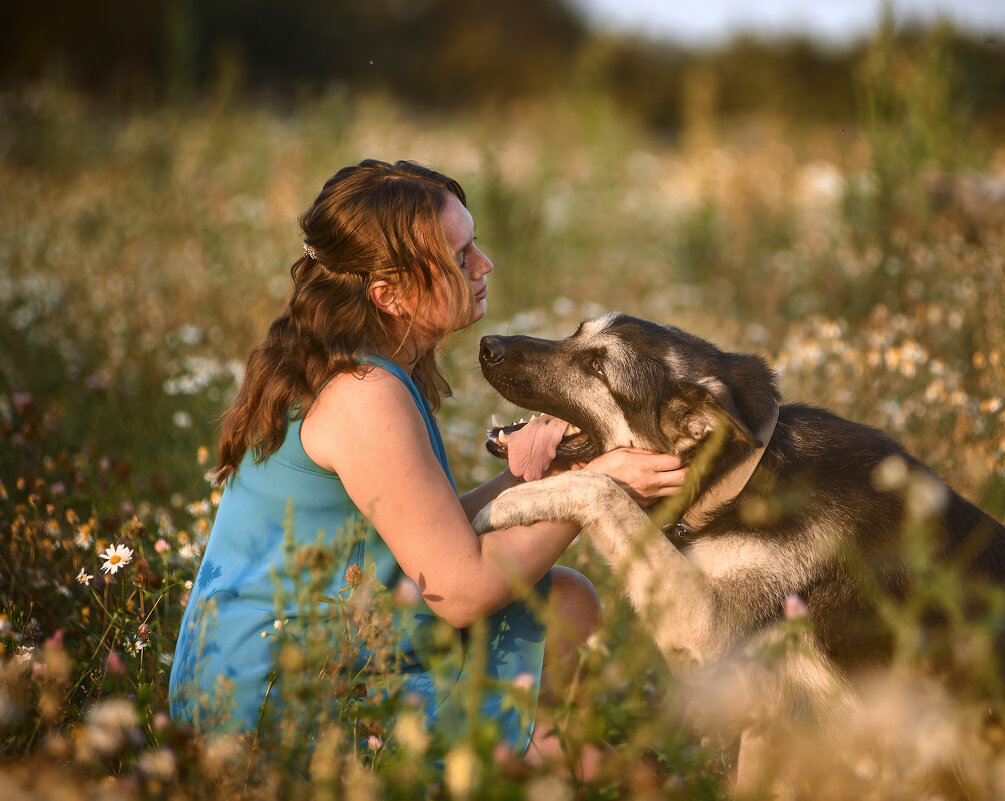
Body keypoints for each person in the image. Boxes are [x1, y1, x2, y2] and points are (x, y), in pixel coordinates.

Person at [167, 159, 687, 774]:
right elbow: (458, 591)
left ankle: (542, 750)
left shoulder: (372, 367)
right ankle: (544, 761)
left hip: (333, 639)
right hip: (273, 700)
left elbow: (422, 533)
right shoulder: (364, 394)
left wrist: (537, 478)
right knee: (621, 771)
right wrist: (596, 488)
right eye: (460, 254)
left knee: (565, 601)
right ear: (388, 294)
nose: (483, 264)